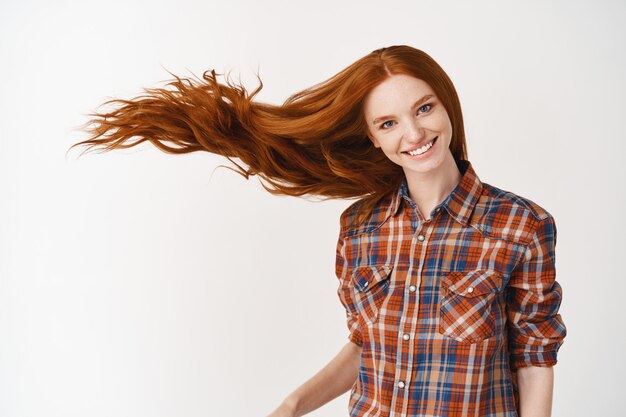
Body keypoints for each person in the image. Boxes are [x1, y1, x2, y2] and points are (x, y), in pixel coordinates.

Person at [68, 45, 566, 417]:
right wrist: (293, 404)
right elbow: (366, 346)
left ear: (447, 107)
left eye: (424, 108)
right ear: (372, 137)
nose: (413, 134)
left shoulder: (521, 226)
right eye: (388, 123)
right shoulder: (360, 228)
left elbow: (534, 359)